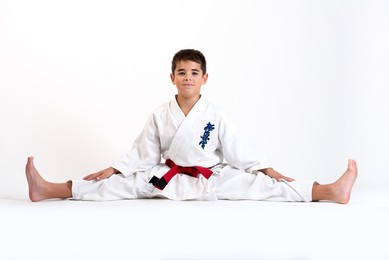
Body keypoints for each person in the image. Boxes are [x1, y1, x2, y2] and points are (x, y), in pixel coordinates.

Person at [26, 49, 357, 203]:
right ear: (172, 78)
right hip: (167, 175)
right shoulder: (160, 113)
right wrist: (114, 169)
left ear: (205, 78)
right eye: (181, 72)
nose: (188, 77)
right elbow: (143, 152)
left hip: (209, 176)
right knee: (120, 186)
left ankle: (328, 191)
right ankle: (51, 189)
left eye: (194, 72)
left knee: (264, 187)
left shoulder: (215, 113)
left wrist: (265, 168)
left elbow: (237, 146)